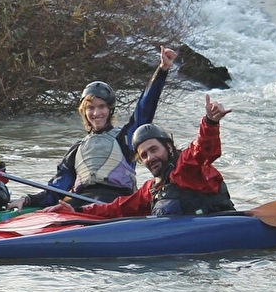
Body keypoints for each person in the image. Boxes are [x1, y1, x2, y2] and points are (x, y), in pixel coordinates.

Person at [19, 45, 178, 209]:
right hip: (79, 202)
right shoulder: (77, 149)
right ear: (84, 111)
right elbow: (56, 189)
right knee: (52, 213)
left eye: (101, 106)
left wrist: (162, 70)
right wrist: (28, 200)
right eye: (90, 108)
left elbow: (145, 108)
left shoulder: (125, 138)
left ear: (110, 110)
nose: (96, 113)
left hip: (116, 203)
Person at [76, 95, 234, 219]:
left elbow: (204, 149)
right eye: (144, 155)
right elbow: (118, 208)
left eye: (154, 149)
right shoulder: (152, 188)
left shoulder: (187, 166)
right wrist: (78, 210)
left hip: (220, 232)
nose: (150, 158)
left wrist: (210, 122)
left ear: (169, 147)